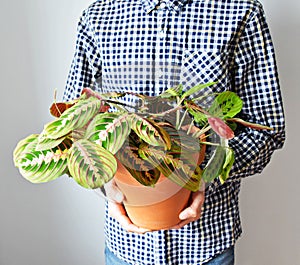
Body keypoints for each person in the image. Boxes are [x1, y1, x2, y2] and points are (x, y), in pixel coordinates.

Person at [63, 0, 286, 264]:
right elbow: (71, 125)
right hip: (127, 248)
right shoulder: (98, 16)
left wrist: (202, 176)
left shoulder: (239, 12)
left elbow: (267, 128)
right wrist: (108, 185)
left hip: (208, 245)